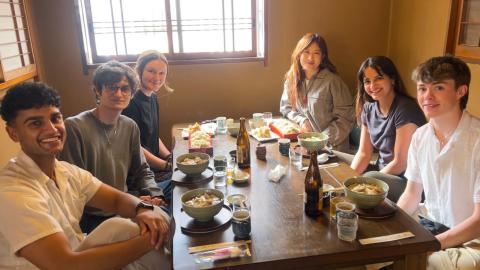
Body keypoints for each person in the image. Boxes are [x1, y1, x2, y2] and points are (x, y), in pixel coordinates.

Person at [0, 82, 172, 270]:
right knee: (140, 232)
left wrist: (142, 209)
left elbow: (116, 200)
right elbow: (64, 265)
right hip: (67, 265)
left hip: (78, 254)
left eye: (55, 118)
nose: (51, 129)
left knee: (141, 220)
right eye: (35, 123)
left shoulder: (65, 171)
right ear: (13, 133)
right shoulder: (13, 192)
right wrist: (149, 241)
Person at [59, 61, 168, 234]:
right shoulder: (75, 127)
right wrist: (135, 201)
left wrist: (155, 195)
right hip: (96, 215)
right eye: (111, 87)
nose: (119, 93)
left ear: (132, 93)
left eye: (125, 89)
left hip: (127, 203)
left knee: (178, 197)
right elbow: (74, 186)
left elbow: (141, 170)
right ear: (97, 91)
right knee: (159, 230)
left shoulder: (129, 125)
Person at [397, 56, 480, 270]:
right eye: (422, 88)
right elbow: (412, 194)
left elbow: (479, 220)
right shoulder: (420, 136)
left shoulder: (476, 139)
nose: (427, 96)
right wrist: (391, 227)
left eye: (439, 88)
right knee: (374, 251)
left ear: (461, 91)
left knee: (422, 262)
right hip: (431, 224)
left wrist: (432, 244)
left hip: (472, 240)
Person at [350, 56, 426, 202]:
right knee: (337, 160)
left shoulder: (405, 109)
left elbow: (401, 162)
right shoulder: (368, 108)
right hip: (382, 171)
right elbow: (364, 153)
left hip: (408, 182)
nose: (372, 85)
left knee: (368, 178)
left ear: (392, 79)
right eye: (367, 81)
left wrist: (373, 182)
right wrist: (346, 180)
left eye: (378, 78)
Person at [280, 33, 355, 152]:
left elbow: (346, 118)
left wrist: (321, 140)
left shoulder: (333, 81)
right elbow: (286, 107)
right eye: (306, 52)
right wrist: (302, 120)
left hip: (332, 149)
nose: (310, 58)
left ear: (323, 56)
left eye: (316, 53)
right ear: (299, 54)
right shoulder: (292, 79)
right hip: (304, 146)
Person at [122, 50, 174, 188]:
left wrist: (170, 157)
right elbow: (134, 147)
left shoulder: (152, 97)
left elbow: (152, 135)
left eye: (162, 73)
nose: (157, 77)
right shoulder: (131, 102)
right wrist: (166, 165)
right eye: (151, 71)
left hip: (155, 167)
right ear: (139, 71)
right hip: (140, 175)